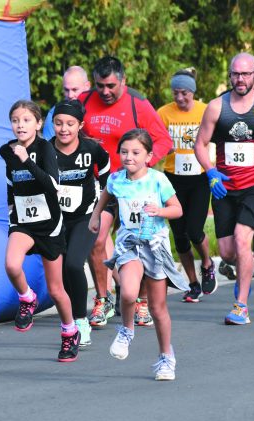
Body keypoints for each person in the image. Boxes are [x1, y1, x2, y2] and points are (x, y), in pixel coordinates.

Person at [194, 52, 254, 325]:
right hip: (225, 187)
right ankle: (241, 273)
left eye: (245, 74)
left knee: (241, 239)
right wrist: (210, 171)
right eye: (235, 74)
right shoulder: (216, 107)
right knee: (226, 252)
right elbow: (200, 144)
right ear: (230, 76)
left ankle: (241, 305)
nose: (240, 79)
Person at [80, 56, 173, 328]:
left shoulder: (137, 103)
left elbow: (163, 140)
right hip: (103, 184)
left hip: (136, 187)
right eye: (100, 86)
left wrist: (142, 167)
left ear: (123, 81)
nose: (105, 92)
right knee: (96, 240)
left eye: (111, 85)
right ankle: (102, 298)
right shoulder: (85, 102)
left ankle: (141, 301)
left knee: (141, 243)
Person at [89, 129, 188, 381]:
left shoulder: (157, 180)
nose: (128, 157)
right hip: (129, 244)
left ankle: (166, 357)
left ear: (148, 156)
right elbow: (105, 195)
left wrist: (159, 211)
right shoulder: (116, 179)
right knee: (130, 292)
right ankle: (126, 331)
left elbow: (177, 209)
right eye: (124, 152)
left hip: (154, 246)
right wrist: (95, 216)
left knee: (157, 307)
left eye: (135, 152)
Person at [0, 100, 80, 362]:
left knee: (57, 290)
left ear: (38, 123)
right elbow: (11, 183)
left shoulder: (45, 148)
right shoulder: (8, 151)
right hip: (23, 222)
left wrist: (28, 161)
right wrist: (11, 207)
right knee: (12, 265)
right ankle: (27, 297)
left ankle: (70, 332)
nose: (20, 125)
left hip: (48, 225)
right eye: (15, 120)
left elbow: (52, 185)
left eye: (25, 120)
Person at [50, 99, 110, 345]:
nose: (64, 129)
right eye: (58, 123)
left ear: (80, 125)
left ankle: (81, 321)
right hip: (55, 221)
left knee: (75, 264)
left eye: (70, 124)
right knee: (64, 272)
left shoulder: (91, 149)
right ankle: (71, 322)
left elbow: (108, 180)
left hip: (86, 217)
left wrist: (104, 211)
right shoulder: (45, 150)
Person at [157, 68, 217, 302]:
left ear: (192, 92)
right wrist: (164, 147)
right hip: (173, 178)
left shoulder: (205, 110)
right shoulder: (163, 112)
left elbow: (217, 135)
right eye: (175, 93)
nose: (180, 98)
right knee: (179, 235)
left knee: (194, 230)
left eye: (184, 93)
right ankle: (192, 283)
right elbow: (154, 139)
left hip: (200, 177)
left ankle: (208, 263)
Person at [42, 66, 91, 139]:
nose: (70, 95)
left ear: (87, 86)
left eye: (75, 89)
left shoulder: (98, 108)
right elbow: (48, 145)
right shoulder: (54, 113)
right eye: (66, 90)